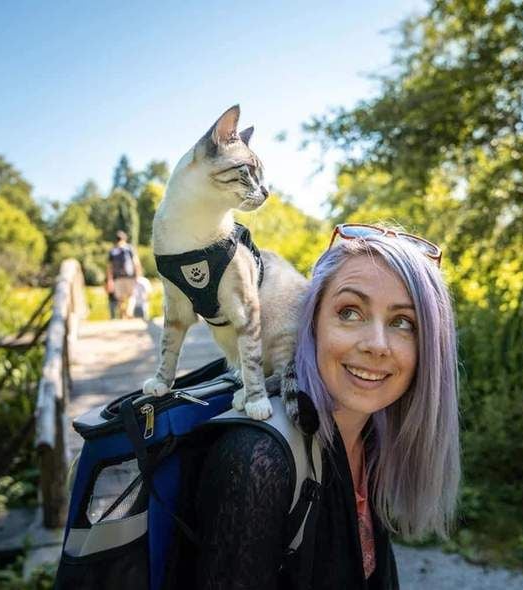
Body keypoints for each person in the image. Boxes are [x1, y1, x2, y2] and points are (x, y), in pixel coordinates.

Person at [191, 224, 460, 589]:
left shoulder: (371, 439)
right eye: (349, 312)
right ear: (311, 321)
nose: (377, 345)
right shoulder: (257, 460)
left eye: (402, 322)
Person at [106, 230, 142, 319]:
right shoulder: (129, 248)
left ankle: (123, 316)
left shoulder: (113, 251)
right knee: (132, 295)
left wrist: (110, 280)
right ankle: (128, 312)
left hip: (118, 278)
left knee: (120, 299)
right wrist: (138, 275)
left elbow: (110, 267)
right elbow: (136, 262)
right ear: (125, 239)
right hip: (130, 276)